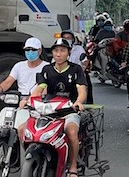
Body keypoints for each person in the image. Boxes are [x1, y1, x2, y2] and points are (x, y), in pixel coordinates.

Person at [28, 39, 87, 177]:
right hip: (49, 111)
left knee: (71, 131)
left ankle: (72, 166)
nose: (58, 54)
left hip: (69, 111)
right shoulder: (47, 69)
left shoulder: (76, 69)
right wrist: (29, 101)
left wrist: (78, 103)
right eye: (56, 51)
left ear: (68, 53)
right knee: (26, 129)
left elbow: (82, 91)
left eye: (62, 51)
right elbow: (39, 89)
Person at [61, 29, 94, 104]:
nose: (67, 40)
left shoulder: (79, 49)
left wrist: (82, 70)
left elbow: (84, 62)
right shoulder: (59, 50)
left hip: (77, 75)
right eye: (65, 38)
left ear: (73, 39)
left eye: (69, 38)